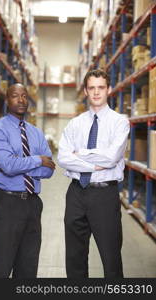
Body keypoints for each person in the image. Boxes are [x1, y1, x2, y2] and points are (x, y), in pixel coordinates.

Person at [57, 69, 130, 278]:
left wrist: (79, 155)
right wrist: (92, 165)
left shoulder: (119, 122)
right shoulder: (75, 123)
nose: (96, 92)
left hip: (104, 195)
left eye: (100, 87)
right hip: (76, 193)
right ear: (86, 92)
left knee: (111, 258)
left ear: (108, 90)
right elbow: (63, 158)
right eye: (92, 88)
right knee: (74, 257)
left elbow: (111, 157)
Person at [0, 83, 55, 278]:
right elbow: (7, 166)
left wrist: (23, 165)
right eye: (15, 95)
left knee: (28, 266)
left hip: (33, 204)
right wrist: (36, 160)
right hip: (7, 204)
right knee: (1, 264)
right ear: (7, 100)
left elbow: (49, 170)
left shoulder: (36, 133)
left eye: (24, 96)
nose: (21, 99)